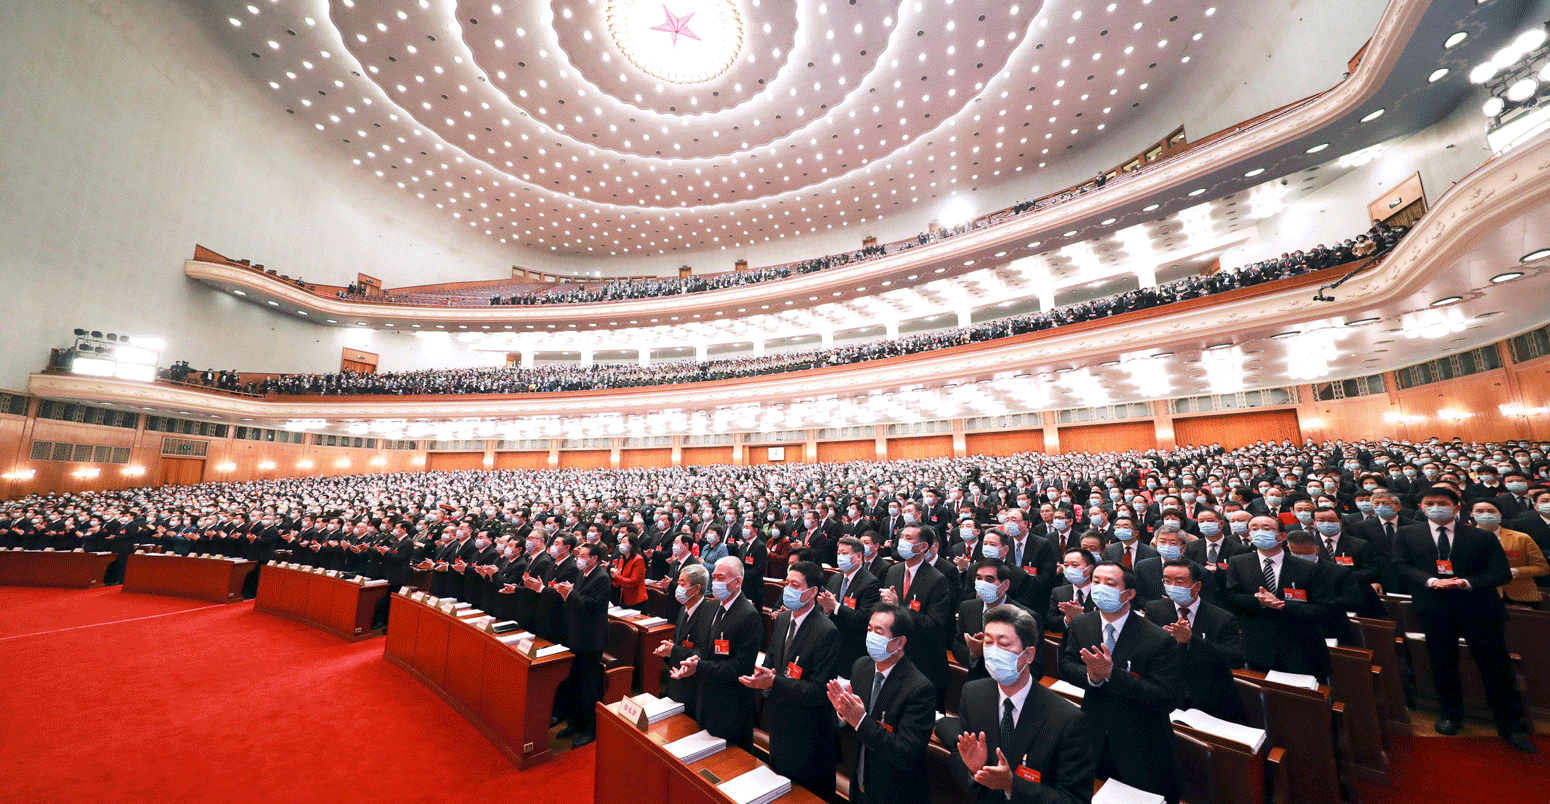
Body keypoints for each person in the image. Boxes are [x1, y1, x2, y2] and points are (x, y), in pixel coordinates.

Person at [1394, 486, 1533, 751]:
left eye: (1442, 502)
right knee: (1442, 663)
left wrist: (1467, 582)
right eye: (1429, 502)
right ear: (1421, 507)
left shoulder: (1480, 536)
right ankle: (1450, 714)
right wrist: (1431, 580)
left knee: (1495, 665)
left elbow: (1501, 574)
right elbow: (1401, 566)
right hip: (1434, 609)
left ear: (1457, 507)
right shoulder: (1407, 534)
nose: (1436, 507)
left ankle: (1509, 723)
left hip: (1478, 607)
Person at [942, 604, 1097, 804]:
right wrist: (974, 770)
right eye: (988, 643)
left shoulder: (1067, 719)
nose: (993, 652)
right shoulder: (973, 693)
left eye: (1004, 644)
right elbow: (960, 755)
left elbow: (1075, 800)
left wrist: (1011, 785)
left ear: (1029, 655)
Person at [1059, 562, 1183, 802]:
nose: (1100, 588)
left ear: (1129, 594)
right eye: (1096, 581)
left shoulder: (1158, 639)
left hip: (1141, 743)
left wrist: (1111, 674)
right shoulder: (1082, 624)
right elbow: (1067, 665)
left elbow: (1167, 697)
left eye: (1110, 583)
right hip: (1093, 736)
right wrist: (1092, 677)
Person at [741, 562, 841, 799]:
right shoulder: (784, 619)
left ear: (813, 591)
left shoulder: (826, 631)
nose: (788, 590)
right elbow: (772, 661)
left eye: (795, 585)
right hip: (780, 723)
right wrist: (761, 678)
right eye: (787, 584)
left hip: (809, 737)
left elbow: (818, 691)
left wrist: (774, 682)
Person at [826, 603, 937, 804]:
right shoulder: (862, 666)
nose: (871, 636)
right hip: (859, 783)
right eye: (869, 629)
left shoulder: (920, 689)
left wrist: (859, 719)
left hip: (895, 793)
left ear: (900, 642)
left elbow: (906, 752)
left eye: (879, 631)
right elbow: (855, 727)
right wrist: (844, 715)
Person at [1224, 515, 1332, 681]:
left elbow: (1323, 608)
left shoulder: (1306, 567)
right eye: (1254, 529)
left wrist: (1283, 605)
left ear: (1282, 536)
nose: (1259, 532)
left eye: (1266, 529)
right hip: (1258, 644)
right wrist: (1257, 600)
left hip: (1300, 645)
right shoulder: (1238, 562)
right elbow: (1232, 597)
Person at [671, 556, 761, 748]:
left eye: (721, 578)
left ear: (737, 582)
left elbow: (740, 667)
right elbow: (704, 647)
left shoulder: (748, 615)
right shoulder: (711, 607)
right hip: (705, 697)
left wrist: (700, 667)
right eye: (714, 577)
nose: (715, 582)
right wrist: (693, 661)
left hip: (730, 706)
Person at [1145, 559, 1250, 724]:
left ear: (1197, 586)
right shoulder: (1154, 609)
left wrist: (1191, 641)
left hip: (1210, 699)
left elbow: (1235, 658)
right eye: (1167, 580)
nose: (1172, 586)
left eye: (1180, 581)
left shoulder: (1222, 618)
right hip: (1169, 696)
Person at [879, 524, 955, 708]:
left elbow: (934, 625)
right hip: (896, 657)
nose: (902, 542)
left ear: (923, 547)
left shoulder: (937, 580)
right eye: (901, 537)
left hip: (924, 662)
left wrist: (900, 608)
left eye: (908, 538)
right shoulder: (893, 571)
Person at [555, 541, 611, 747]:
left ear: (594, 559)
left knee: (588, 686)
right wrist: (567, 593)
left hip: (591, 639)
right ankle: (575, 722)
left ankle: (591, 729)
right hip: (576, 635)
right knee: (575, 683)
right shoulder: (582, 574)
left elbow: (592, 604)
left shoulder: (601, 578)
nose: (579, 559)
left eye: (583, 556)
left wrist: (570, 594)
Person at [954, 560, 1039, 680]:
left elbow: (1036, 668)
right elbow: (957, 645)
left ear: (1005, 585)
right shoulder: (967, 608)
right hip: (976, 684)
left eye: (989, 580)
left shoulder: (1027, 617)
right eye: (979, 578)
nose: (982, 584)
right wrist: (974, 654)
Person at [655, 563, 713, 718]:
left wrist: (673, 650)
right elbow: (679, 642)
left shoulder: (708, 614)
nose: (678, 587)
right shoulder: (683, 610)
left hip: (693, 685)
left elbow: (702, 652)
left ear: (696, 589)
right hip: (676, 678)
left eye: (682, 583)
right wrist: (670, 649)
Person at [819, 536, 883, 670]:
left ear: (859, 556)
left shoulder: (870, 582)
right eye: (838, 553)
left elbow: (863, 618)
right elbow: (826, 610)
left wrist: (835, 607)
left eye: (845, 553)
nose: (840, 557)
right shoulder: (834, 579)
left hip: (851, 647)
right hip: (831, 644)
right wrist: (826, 610)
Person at [1473, 499, 1546, 607]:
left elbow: (1542, 568)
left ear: (1500, 514)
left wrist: (1517, 571)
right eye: (1480, 511)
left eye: (1491, 511)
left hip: (1520, 595)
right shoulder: (1461, 537)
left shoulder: (1521, 537)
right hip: (1479, 594)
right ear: (1471, 514)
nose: (1486, 515)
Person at [1048, 548, 1097, 634]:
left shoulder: (1100, 592)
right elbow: (1051, 623)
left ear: (1090, 568)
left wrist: (1081, 617)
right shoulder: (1059, 592)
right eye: (1066, 565)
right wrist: (1067, 619)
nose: (1070, 569)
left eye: (1075, 565)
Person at [608, 533, 647, 607]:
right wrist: (613, 576)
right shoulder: (622, 559)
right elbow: (617, 582)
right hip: (622, 598)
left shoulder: (638, 559)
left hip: (636, 600)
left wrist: (616, 576)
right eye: (621, 542)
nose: (621, 544)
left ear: (631, 545)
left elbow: (633, 582)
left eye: (624, 542)